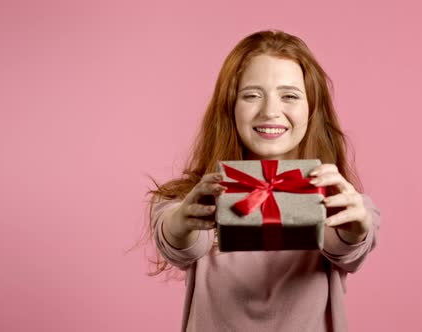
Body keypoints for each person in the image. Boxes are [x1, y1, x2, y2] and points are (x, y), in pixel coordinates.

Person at [147, 30, 381, 332]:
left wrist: (352, 227)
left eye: (290, 96)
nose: (270, 111)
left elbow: (343, 246)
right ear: (230, 107)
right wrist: (182, 221)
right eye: (251, 95)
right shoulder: (196, 196)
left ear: (312, 109)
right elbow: (180, 239)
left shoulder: (345, 201)